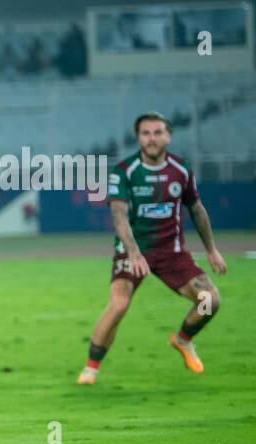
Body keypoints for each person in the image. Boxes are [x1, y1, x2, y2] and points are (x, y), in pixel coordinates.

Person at [78, 113, 226, 384]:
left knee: (210, 301)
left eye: (158, 132)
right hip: (133, 249)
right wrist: (133, 253)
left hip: (172, 252)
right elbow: (119, 216)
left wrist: (212, 249)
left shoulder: (181, 170)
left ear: (168, 136)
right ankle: (91, 368)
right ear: (139, 138)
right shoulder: (125, 171)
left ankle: (183, 339)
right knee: (119, 305)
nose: (152, 138)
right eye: (146, 133)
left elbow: (197, 209)